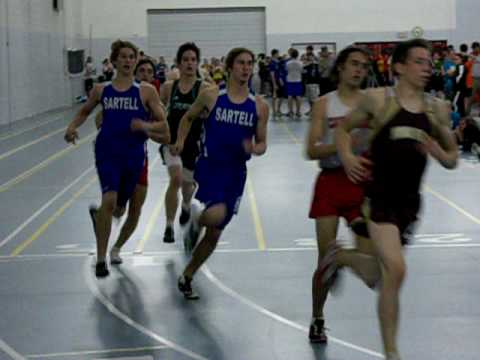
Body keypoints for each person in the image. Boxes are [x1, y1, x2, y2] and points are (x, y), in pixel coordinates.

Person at [335, 39, 458, 360]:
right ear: (399, 66)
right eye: (418, 61)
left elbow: (453, 158)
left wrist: (437, 151)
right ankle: (392, 353)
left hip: (409, 205)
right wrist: (347, 156)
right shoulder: (378, 100)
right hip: (378, 198)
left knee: (378, 276)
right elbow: (344, 129)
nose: (426, 67)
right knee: (398, 269)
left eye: (429, 62)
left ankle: (340, 257)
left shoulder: (436, 109)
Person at [64, 40, 170, 277]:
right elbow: (84, 111)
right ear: (114, 61)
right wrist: (72, 127)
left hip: (134, 155)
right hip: (108, 152)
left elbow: (163, 124)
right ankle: (101, 258)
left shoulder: (146, 91)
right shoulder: (102, 90)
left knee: (120, 208)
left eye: (132, 56)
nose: (128, 60)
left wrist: (144, 124)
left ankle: (101, 220)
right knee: (109, 200)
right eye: (123, 56)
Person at [170, 47, 269, 299]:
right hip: (211, 165)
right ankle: (195, 219)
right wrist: (180, 140)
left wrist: (254, 148)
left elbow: (263, 143)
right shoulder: (212, 96)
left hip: (236, 172)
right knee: (217, 215)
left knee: (215, 233)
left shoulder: (259, 106)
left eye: (250, 63)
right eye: (241, 63)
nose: (246, 68)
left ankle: (187, 275)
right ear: (229, 67)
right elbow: (188, 117)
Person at [306, 46, 381, 343]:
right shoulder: (325, 104)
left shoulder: (372, 102)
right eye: (353, 64)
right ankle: (317, 317)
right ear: (340, 67)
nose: (359, 70)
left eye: (364, 66)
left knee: (372, 273)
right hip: (331, 183)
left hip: (362, 184)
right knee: (322, 265)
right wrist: (343, 145)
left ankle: (341, 257)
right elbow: (310, 150)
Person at [92, 58, 168, 265]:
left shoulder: (152, 99)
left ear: (153, 76)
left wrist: (146, 128)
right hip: (118, 156)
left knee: (134, 209)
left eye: (148, 71)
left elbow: (164, 134)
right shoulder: (122, 96)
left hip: (138, 160)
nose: (144, 74)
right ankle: (101, 220)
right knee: (115, 207)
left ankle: (116, 248)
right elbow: (99, 119)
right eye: (141, 70)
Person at [159, 42, 209, 243]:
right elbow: (160, 113)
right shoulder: (169, 88)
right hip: (171, 143)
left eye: (193, 60)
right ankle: (169, 226)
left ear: (197, 63)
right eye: (185, 60)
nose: (189, 63)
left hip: (194, 144)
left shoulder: (204, 89)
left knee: (188, 185)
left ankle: (186, 205)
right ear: (178, 64)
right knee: (176, 179)